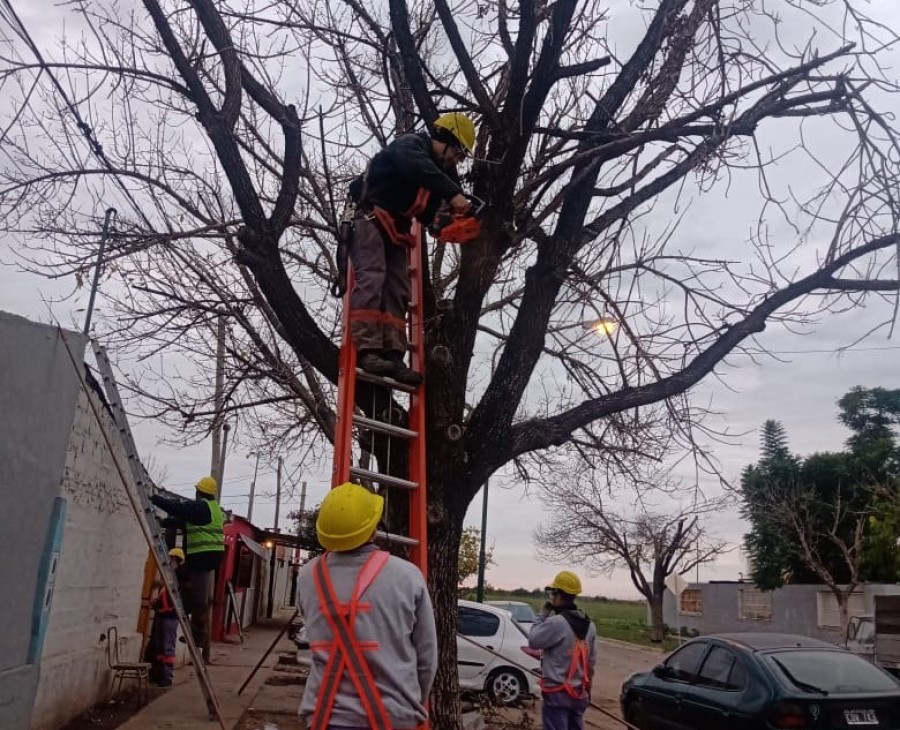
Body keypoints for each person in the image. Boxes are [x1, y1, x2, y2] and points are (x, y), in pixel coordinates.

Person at [345, 112, 477, 385]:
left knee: (398, 287)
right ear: (444, 138)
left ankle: (392, 355)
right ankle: (367, 350)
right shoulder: (410, 146)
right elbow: (415, 166)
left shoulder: (435, 179)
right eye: (457, 152)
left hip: (397, 227)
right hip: (370, 216)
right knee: (373, 276)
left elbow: (429, 216)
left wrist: (447, 225)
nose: (457, 160)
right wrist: (454, 194)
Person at [295, 482, 437, 730]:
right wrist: (410, 702)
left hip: (325, 717)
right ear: (373, 527)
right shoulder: (407, 576)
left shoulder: (307, 576)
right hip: (394, 718)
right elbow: (427, 658)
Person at [150, 475, 225, 663]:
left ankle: (198, 636)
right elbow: (185, 521)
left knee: (200, 599)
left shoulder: (201, 507)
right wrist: (165, 522)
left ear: (201, 492)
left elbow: (180, 510)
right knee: (184, 584)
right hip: (204, 557)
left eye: (197, 490)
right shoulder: (210, 510)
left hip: (203, 557)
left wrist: (156, 498)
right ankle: (190, 622)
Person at [528, 571, 597, 730]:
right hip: (579, 693)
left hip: (557, 693)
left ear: (557, 595)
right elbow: (591, 662)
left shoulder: (556, 623)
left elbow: (533, 641)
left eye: (553, 593)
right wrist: (588, 689)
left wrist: (542, 615)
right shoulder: (590, 625)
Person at [147, 547, 185, 687]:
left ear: (176, 560)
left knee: (167, 647)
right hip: (162, 615)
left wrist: (159, 604)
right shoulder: (168, 577)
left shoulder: (177, 577)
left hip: (169, 617)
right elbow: (163, 596)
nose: (168, 561)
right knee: (158, 646)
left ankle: (166, 675)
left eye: (171, 559)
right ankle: (158, 673)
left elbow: (171, 599)